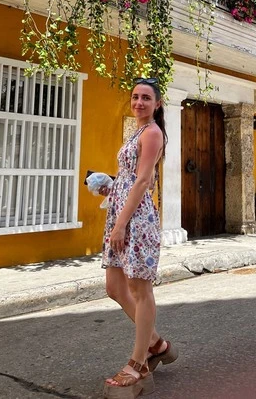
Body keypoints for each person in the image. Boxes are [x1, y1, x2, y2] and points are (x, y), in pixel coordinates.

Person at [101, 77, 178, 397]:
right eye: (135, 96)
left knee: (139, 289)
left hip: (137, 220)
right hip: (120, 213)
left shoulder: (153, 132)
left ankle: (139, 362)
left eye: (146, 97)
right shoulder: (136, 132)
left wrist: (120, 225)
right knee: (114, 287)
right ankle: (157, 344)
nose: (139, 102)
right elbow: (130, 177)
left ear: (157, 104)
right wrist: (111, 185)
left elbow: (144, 180)